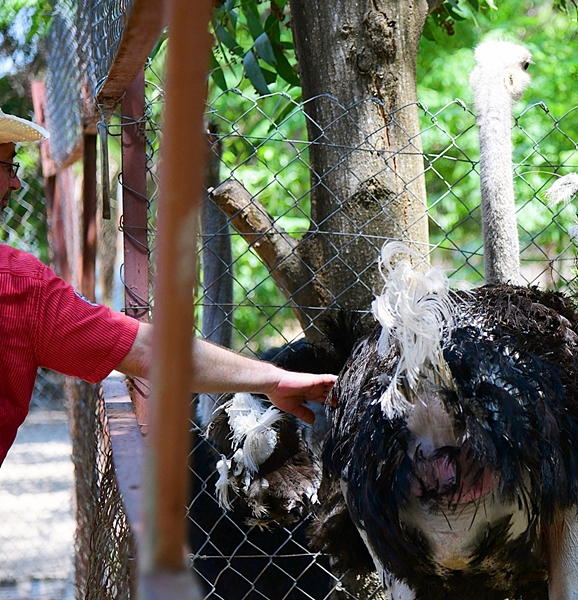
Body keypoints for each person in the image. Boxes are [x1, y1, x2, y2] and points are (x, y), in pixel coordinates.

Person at [0, 108, 337, 466]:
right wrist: (270, 379)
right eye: (8, 166)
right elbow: (146, 350)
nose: (16, 182)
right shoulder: (18, 284)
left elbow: (144, 348)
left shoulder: (21, 286)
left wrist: (270, 379)